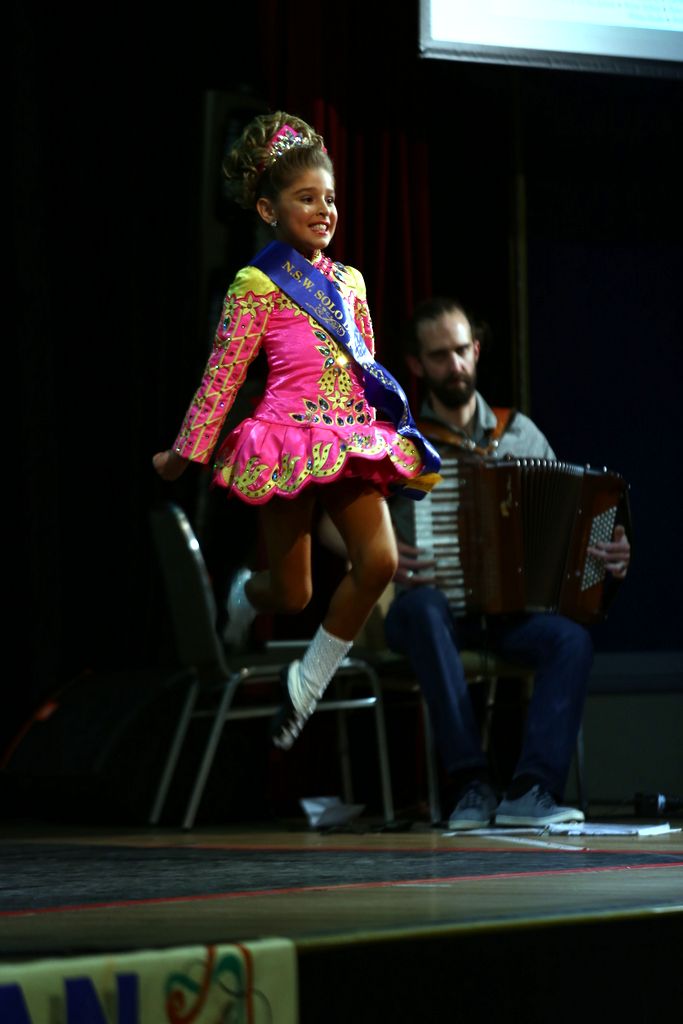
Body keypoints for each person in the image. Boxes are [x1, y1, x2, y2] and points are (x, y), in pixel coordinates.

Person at [152, 111, 440, 752]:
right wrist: (183, 452)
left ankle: (306, 683)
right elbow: (223, 376)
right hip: (285, 438)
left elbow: (362, 365)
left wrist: (392, 431)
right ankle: (244, 593)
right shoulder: (257, 282)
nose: (323, 210)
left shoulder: (350, 282)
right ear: (267, 209)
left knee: (381, 561)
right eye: (306, 198)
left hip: (348, 437)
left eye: (329, 198)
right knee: (292, 592)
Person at [384, 297, 630, 828]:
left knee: (571, 640)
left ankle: (531, 789)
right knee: (424, 608)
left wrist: (609, 550)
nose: (455, 365)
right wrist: (378, 550)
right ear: (417, 365)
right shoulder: (403, 443)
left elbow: (570, 521)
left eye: (461, 350)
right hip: (428, 613)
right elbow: (331, 523)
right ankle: (471, 783)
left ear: (476, 349)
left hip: (507, 617)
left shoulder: (518, 434)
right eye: (440, 356)